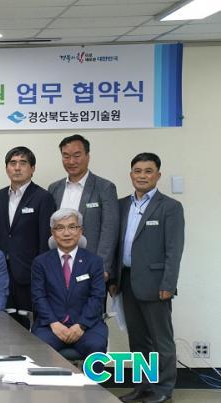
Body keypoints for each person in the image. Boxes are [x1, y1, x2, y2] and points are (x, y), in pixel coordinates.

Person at [112, 153, 184, 403]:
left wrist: (169, 284)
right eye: (138, 171)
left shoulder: (170, 207)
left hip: (156, 284)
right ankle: (142, 386)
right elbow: (116, 244)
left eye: (148, 171)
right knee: (138, 340)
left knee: (161, 340)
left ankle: (163, 389)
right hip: (127, 280)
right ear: (131, 174)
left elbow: (174, 249)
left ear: (158, 175)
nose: (142, 176)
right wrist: (113, 280)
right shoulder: (121, 204)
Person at [0, 146, 56, 327]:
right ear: (6, 168)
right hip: (2, 272)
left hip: (29, 273)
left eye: (23, 163)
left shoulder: (43, 197)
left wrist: (42, 273)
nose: (17, 168)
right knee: (3, 325)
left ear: (32, 168)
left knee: (29, 326)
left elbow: (45, 239)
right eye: (12, 163)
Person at [31, 208, 108, 358]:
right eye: (60, 228)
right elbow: (38, 297)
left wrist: (81, 325)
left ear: (80, 231)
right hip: (50, 326)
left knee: (96, 346)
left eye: (72, 227)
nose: (66, 233)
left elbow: (97, 297)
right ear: (53, 233)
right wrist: (54, 324)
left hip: (87, 326)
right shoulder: (41, 262)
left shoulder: (94, 262)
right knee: (40, 349)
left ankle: (91, 377)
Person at [48, 134, 119, 284]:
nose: (71, 161)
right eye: (66, 156)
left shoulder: (105, 188)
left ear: (87, 156)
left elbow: (109, 230)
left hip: (91, 265)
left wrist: (103, 267)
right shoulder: (54, 188)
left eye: (77, 155)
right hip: (59, 266)